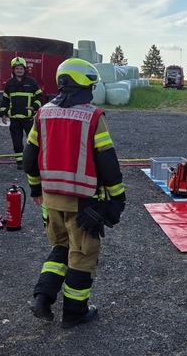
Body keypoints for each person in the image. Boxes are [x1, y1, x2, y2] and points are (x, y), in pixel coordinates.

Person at [24, 58, 126, 328]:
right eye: (91, 85)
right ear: (84, 85)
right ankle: (75, 312)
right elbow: (107, 161)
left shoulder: (43, 113)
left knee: (60, 247)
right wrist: (118, 196)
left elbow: (29, 155)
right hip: (82, 203)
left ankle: (42, 298)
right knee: (82, 256)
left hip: (51, 200)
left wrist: (35, 187)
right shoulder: (92, 116)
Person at [0, 57, 43, 170]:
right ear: (13, 70)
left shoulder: (31, 82)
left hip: (28, 118)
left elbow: (40, 97)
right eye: (17, 69)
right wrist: (3, 113)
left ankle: (34, 161)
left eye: (21, 68)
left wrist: (34, 107)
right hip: (14, 118)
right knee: (17, 142)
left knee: (33, 141)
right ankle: (20, 162)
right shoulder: (9, 83)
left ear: (24, 69)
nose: (19, 70)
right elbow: (5, 99)